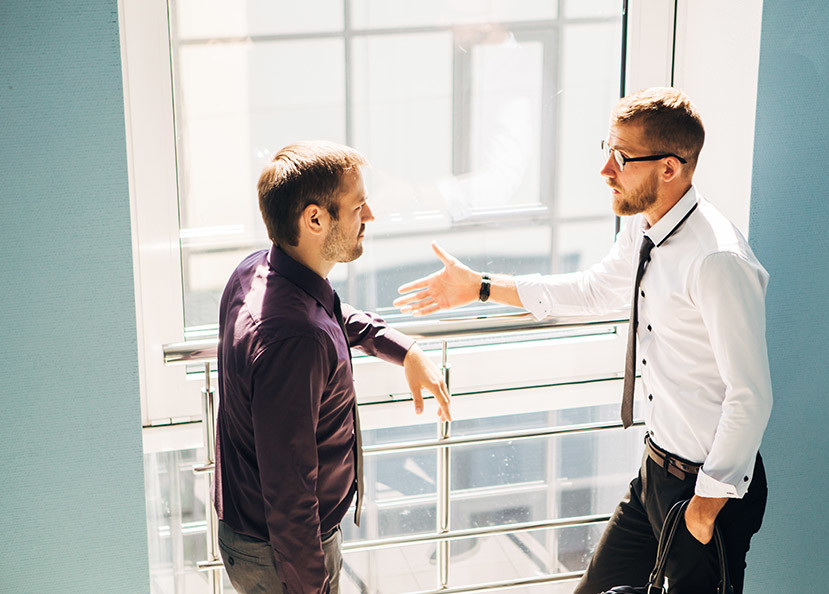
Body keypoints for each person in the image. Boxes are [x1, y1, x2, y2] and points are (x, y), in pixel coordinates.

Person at [394, 88, 771, 594]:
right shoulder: (645, 230)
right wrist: (481, 287)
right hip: (656, 473)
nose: (605, 171)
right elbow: (595, 290)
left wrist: (705, 508)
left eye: (621, 158)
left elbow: (751, 395)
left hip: (706, 492)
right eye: (607, 151)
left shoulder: (717, 260)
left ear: (670, 169)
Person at [215, 140, 452, 594]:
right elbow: (289, 496)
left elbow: (332, 316)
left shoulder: (260, 271)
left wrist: (404, 348)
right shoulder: (295, 340)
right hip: (284, 555)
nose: (371, 216)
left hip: (262, 539)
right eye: (359, 205)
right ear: (316, 219)